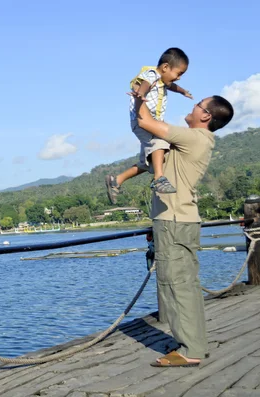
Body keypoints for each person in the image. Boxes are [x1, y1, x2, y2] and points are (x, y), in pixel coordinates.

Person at [132, 94, 234, 367]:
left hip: (174, 221)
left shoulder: (194, 137)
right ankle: (195, 344)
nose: (192, 107)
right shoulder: (198, 140)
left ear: (206, 116)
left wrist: (142, 94)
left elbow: (145, 121)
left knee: (175, 286)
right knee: (186, 286)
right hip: (182, 220)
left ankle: (190, 351)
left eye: (198, 105)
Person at [105, 48, 193, 205]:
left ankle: (116, 180)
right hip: (142, 120)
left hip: (152, 121)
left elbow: (171, 86)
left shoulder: (164, 81)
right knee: (161, 141)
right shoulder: (152, 74)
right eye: (178, 74)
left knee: (149, 161)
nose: (178, 78)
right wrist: (142, 94)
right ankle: (159, 178)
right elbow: (145, 84)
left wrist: (182, 91)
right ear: (165, 67)